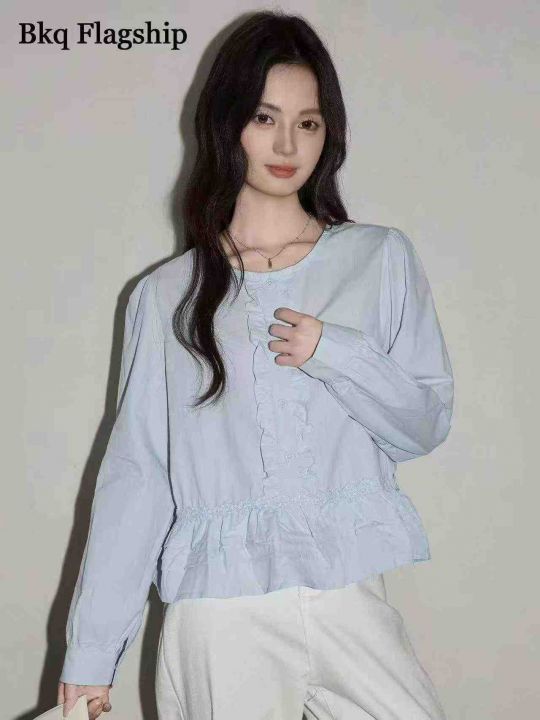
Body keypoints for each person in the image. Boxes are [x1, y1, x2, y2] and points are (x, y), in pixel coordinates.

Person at [58, 10, 454, 720]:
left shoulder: (378, 259)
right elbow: (138, 476)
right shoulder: (166, 295)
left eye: (308, 122)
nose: (287, 143)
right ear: (227, 124)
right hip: (221, 612)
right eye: (265, 118)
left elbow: (422, 425)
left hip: (346, 592)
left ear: (329, 134)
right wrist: (91, 655)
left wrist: (337, 353)